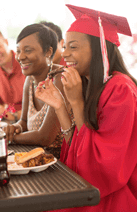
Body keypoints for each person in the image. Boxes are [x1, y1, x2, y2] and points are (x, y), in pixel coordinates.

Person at [35, 5, 137, 211]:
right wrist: (60, 106)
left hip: (112, 195)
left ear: (100, 49)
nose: (65, 55)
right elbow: (79, 149)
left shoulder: (121, 89)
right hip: (87, 184)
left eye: (73, 47)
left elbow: (103, 166)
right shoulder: (90, 84)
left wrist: (76, 103)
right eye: (65, 47)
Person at [3, 24, 70, 159]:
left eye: (27, 50)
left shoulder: (60, 79)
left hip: (62, 165)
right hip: (35, 157)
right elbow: (23, 122)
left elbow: (45, 137)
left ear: (48, 52)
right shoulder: (30, 80)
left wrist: (11, 138)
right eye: (18, 51)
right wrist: (13, 128)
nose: (20, 57)